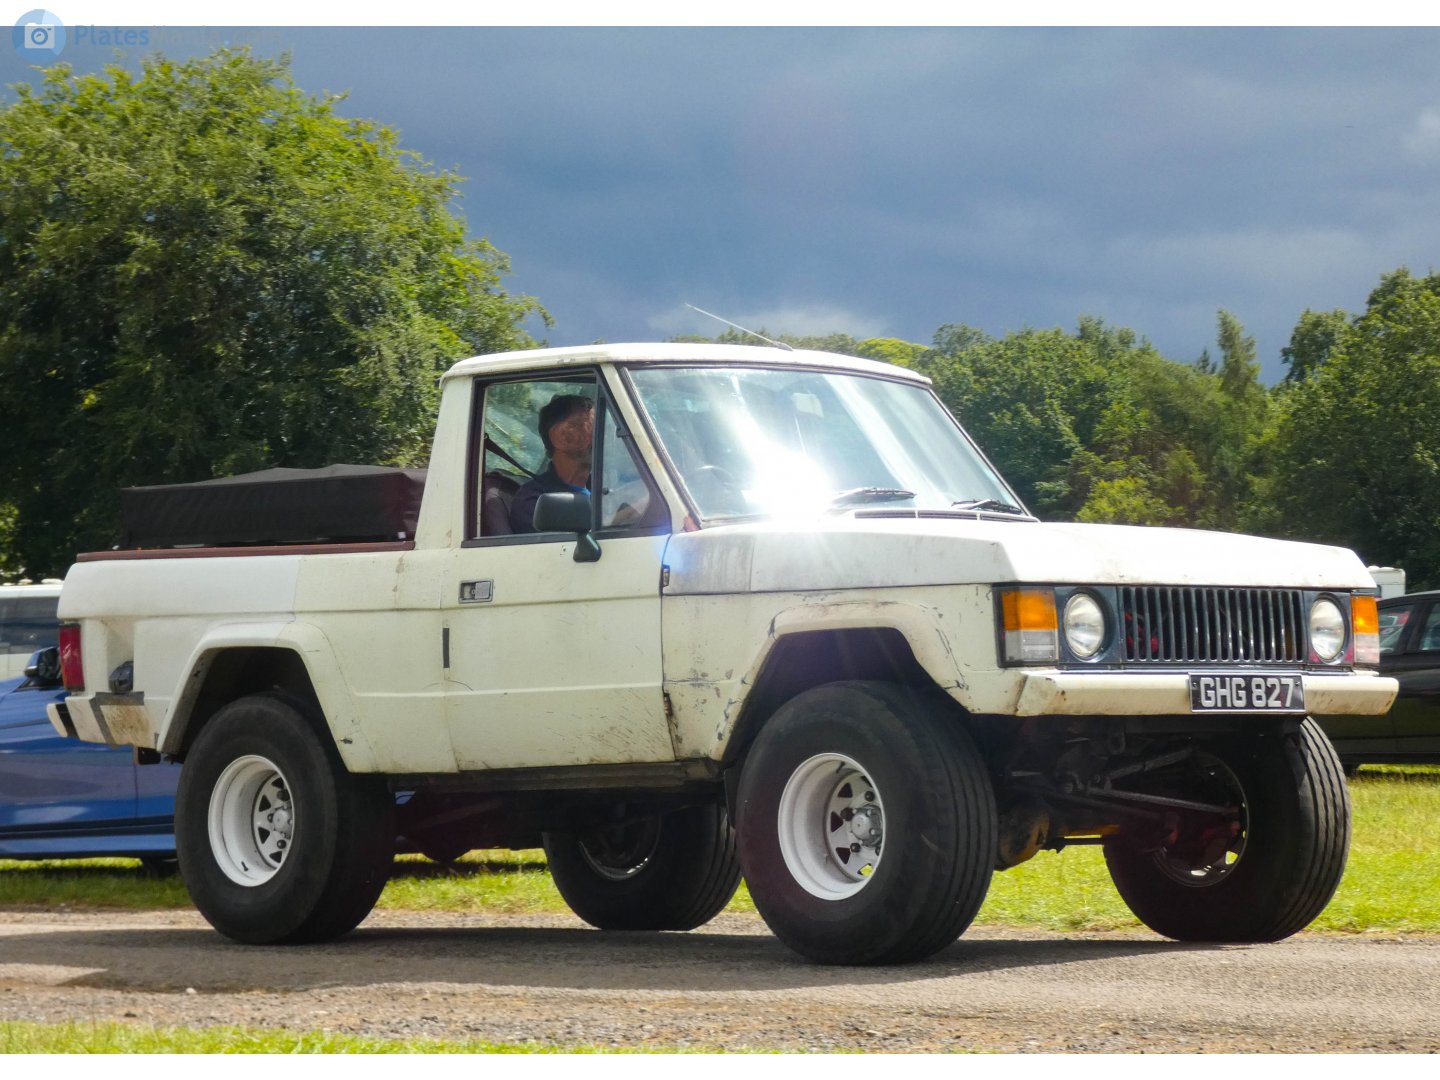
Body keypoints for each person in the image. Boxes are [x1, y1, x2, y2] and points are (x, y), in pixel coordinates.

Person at [509, 393, 594, 534]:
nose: (605, 436)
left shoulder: (602, 486)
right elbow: (567, 550)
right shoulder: (534, 501)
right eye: (592, 427)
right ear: (562, 437)